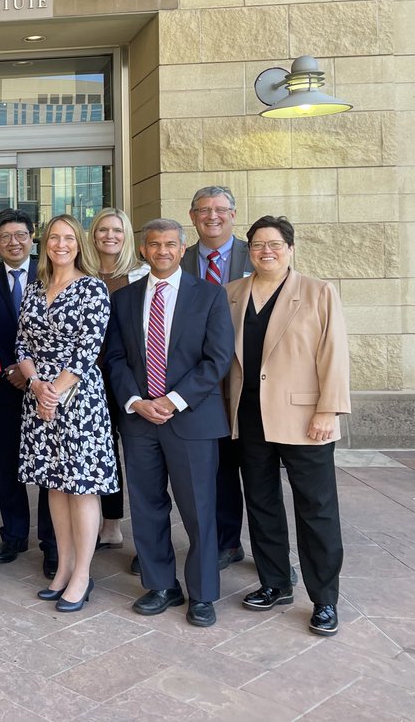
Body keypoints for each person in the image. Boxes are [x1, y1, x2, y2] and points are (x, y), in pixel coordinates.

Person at [105, 219, 234, 628]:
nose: (162, 251)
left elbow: (217, 360)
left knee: (199, 510)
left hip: (191, 419)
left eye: (171, 244)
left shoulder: (210, 296)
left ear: (183, 249)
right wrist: (136, 401)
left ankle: (202, 594)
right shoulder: (124, 299)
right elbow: (115, 358)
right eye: (155, 244)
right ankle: (160, 585)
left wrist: (173, 401)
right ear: (143, 249)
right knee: (146, 506)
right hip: (140, 421)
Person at [226, 216, 351, 637]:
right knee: (261, 506)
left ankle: (325, 599)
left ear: (290, 248)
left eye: (275, 244)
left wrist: (327, 411)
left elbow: (333, 355)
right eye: (258, 244)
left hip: (304, 420)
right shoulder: (232, 294)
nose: (266, 251)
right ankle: (275, 582)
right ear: (248, 250)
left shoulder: (317, 292)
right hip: (248, 418)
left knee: (315, 510)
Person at [15, 215, 116, 613]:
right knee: (54, 486)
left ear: (80, 244)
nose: (60, 244)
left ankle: (83, 575)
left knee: (81, 487)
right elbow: (21, 343)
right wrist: (37, 385)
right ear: (45, 244)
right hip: (39, 396)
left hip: (78, 399)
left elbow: (88, 350)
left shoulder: (92, 288)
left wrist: (53, 391)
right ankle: (64, 566)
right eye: (54, 237)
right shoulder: (35, 287)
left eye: (68, 238)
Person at [0, 208, 57, 576]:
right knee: (8, 465)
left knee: (47, 465)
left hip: (46, 388)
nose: (14, 242)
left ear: (32, 237)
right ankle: (13, 534)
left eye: (20, 235)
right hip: (0, 389)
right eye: (5, 236)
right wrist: (6, 368)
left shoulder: (51, 275)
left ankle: (51, 541)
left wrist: (29, 373)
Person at [182, 185, 250, 570]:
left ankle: (268, 552)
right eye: (203, 210)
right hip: (197, 382)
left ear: (233, 214)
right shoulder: (181, 258)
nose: (212, 216)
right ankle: (225, 541)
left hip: (245, 378)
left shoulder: (253, 255)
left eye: (220, 209)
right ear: (192, 216)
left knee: (253, 471)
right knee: (215, 466)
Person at [89, 207, 148, 550]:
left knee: (138, 454)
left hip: (130, 377)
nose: (110, 236)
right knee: (102, 452)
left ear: (127, 236)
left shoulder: (140, 275)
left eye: (117, 230)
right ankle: (107, 524)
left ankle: (141, 535)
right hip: (89, 376)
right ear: (93, 235)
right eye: (102, 230)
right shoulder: (82, 273)